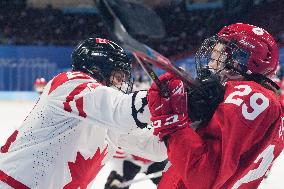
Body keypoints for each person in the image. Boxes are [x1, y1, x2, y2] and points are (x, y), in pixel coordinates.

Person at [0, 38, 167, 189]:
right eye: (117, 76)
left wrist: (187, 122)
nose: (121, 83)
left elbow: (155, 149)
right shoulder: (70, 82)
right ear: (97, 70)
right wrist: (167, 98)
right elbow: (120, 110)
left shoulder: (104, 117)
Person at [147, 23, 284, 189]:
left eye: (218, 58)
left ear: (245, 62)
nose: (212, 66)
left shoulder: (253, 96)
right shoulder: (266, 103)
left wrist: (172, 123)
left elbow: (203, 177)